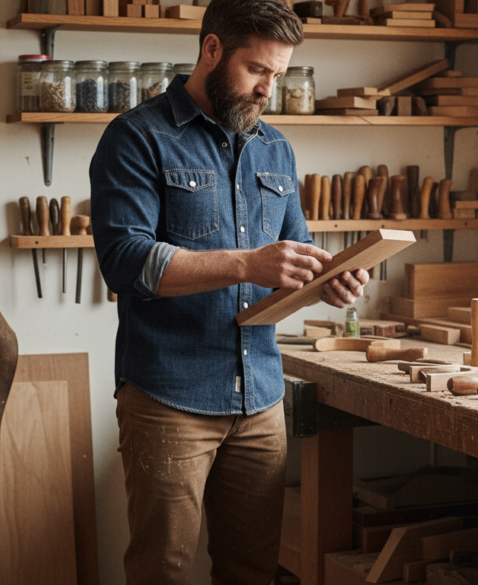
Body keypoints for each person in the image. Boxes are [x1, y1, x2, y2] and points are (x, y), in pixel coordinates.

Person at [90, 0, 368, 582]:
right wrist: (246, 263)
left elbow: (291, 262)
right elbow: (126, 263)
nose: (269, 88)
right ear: (212, 50)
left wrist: (328, 282)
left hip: (261, 398)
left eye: (280, 75)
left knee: (251, 570)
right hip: (169, 396)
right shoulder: (137, 138)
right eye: (258, 70)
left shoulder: (276, 150)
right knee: (160, 570)